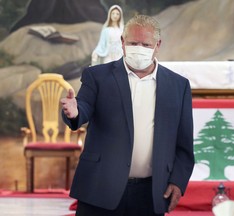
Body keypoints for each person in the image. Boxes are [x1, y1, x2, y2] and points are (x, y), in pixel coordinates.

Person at [61, 14, 194, 216]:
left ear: (158, 45)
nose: (139, 49)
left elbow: (184, 144)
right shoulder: (97, 76)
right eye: (133, 43)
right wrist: (74, 112)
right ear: (123, 43)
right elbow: (83, 107)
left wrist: (178, 181)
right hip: (100, 188)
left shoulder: (178, 85)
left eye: (146, 44)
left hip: (150, 193)